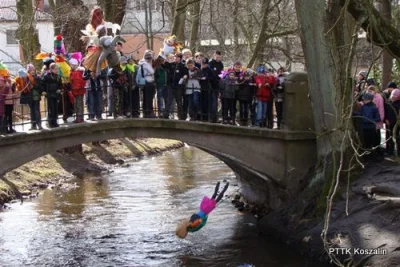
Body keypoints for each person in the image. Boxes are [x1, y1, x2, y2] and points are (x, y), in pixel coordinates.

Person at [41, 63, 63, 128]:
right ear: (51, 69)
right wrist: (43, 91)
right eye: (55, 69)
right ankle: (50, 122)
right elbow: (42, 84)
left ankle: (55, 121)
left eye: (57, 69)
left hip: (56, 94)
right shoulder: (46, 76)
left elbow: (60, 84)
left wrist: (60, 89)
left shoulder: (58, 76)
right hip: (49, 94)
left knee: (56, 108)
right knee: (51, 108)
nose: (57, 70)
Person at [69, 58, 86, 123]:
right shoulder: (75, 72)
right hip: (77, 90)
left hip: (77, 90)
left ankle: (79, 117)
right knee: (78, 104)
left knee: (78, 104)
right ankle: (79, 117)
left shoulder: (77, 72)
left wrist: (74, 89)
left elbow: (77, 82)